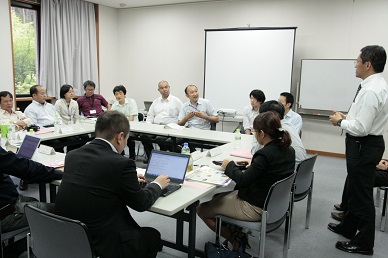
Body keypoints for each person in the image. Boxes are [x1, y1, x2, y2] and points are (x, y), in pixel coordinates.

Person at [54, 111, 170, 257]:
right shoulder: (122, 163)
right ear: (120, 137)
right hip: (102, 242)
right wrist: (157, 184)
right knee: (153, 237)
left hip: (68, 234)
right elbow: (141, 203)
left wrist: (125, 177)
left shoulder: (73, 155)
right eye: (127, 138)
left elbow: (95, 172)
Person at [197, 111, 295, 251]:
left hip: (255, 207)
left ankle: (235, 238)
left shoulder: (264, 154)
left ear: (262, 133)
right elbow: (270, 171)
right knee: (217, 198)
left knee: (202, 209)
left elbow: (243, 180)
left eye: (255, 132)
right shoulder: (288, 150)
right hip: (276, 206)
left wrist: (229, 165)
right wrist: (254, 167)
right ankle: (238, 233)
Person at [328, 45, 388, 255]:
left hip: (364, 145)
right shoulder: (374, 84)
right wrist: (346, 118)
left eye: (357, 61)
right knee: (355, 188)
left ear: (368, 64)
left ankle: (364, 243)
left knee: (362, 195)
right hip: (365, 144)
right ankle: (348, 227)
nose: (355, 64)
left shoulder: (372, 90)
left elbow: (362, 129)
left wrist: (339, 123)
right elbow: (364, 120)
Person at [0, 146, 63, 234]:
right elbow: (21, 167)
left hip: (8, 198)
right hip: (4, 212)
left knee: (34, 201)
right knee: (59, 210)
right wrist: (54, 173)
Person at [253, 100, 307, 166]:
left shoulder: (272, 129)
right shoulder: (289, 124)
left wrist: (257, 132)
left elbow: (255, 153)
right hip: (301, 170)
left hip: (290, 170)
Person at [140, 80, 183, 163]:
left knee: (161, 139)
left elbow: (182, 116)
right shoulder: (155, 102)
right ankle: (151, 158)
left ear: (169, 88)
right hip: (156, 127)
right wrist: (148, 127)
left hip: (170, 128)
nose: (164, 89)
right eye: (162, 88)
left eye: (166, 87)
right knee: (144, 136)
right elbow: (150, 116)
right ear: (158, 90)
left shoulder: (176, 101)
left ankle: (168, 157)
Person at [0, 91, 33, 191]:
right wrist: (20, 124)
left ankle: (26, 177)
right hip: (8, 142)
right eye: (6, 101)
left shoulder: (18, 113)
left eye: (10, 100)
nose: (9, 103)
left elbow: (30, 122)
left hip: (22, 139)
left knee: (30, 151)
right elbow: (4, 127)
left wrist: (14, 124)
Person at [111, 85, 139, 160]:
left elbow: (131, 118)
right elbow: (113, 119)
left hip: (132, 127)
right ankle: (120, 155)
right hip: (119, 128)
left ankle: (132, 157)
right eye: (116, 94)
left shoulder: (131, 102)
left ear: (124, 94)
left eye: (120, 93)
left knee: (128, 136)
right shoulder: (114, 105)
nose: (118, 96)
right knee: (114, 136)